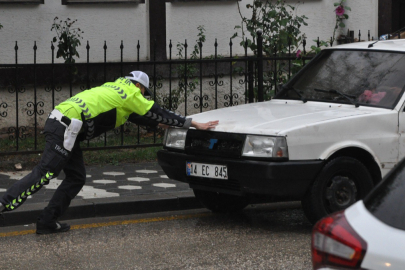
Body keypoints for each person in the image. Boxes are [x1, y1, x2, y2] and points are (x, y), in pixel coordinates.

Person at [0, 71, 219, 234]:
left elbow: (148, 120)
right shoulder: (131, 92)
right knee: (46, 172)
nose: (144, 96)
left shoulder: (115, 90)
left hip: (67, 125)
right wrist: (192, 124)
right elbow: (157, 112)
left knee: (76, 177)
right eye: (145, 92)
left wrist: (172, 126)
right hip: (67, 126)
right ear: (140, 87)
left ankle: (47, 221)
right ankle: (4, 203)